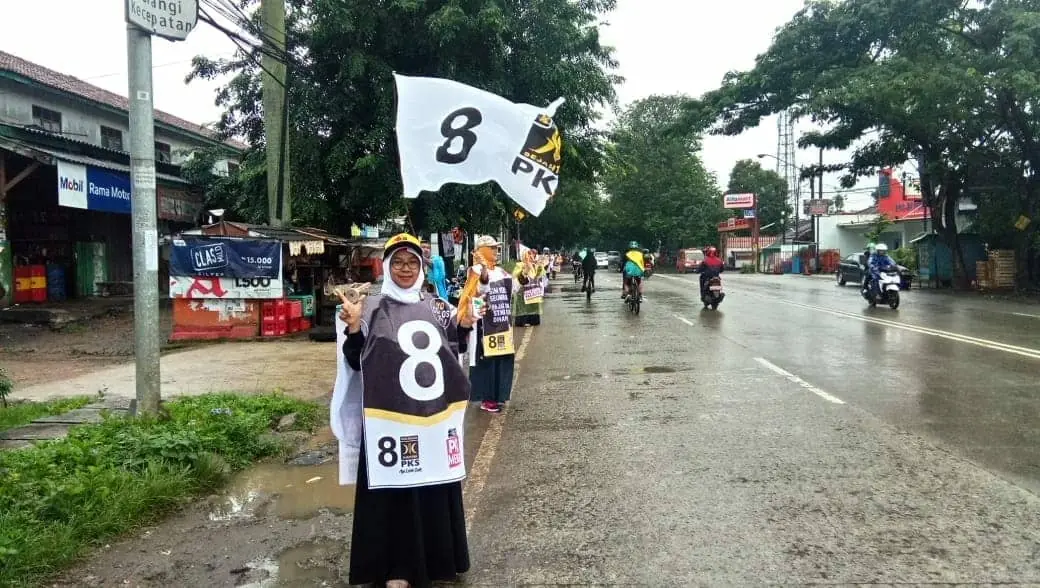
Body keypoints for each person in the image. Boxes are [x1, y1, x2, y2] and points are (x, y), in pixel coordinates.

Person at [331, 233, 476, 587]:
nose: (406, 269)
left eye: (412, 262)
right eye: (398, 262)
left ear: (423, 267)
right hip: (387, 423)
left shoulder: (438, 306)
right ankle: (396, 568)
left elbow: (452, 354)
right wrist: (352, 328)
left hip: (431, 419)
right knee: (392, 495)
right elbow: (355, 362)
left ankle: (439, 560)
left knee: (431, 489)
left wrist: (465, 325)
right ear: (386, 266)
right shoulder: (370, 308)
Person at [459, 236, 517, 414]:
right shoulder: (475, 271)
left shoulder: (501, 271)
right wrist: (484, 272)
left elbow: (514, 288)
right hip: (485, 326)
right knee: (487, 362)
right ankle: (487, 398)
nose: (496, 252)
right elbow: (479, 291)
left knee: (503, 360)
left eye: (496, 248)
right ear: (482, 250)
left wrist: (527, 272)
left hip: (502, 325)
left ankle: (499, 396)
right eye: (492, 248)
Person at [513, 248, 546, 327]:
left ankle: (532, 319)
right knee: (522, 310)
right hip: (523, 293)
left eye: (533, 254)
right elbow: (517, 277)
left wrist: (540, 266)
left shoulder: (535, 265)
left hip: (533, 294)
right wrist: (526, 269)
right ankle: (522, 320)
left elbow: (540, 276)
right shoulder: (519, 265)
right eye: (529, 254)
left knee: (534, 315)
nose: (531, 256)